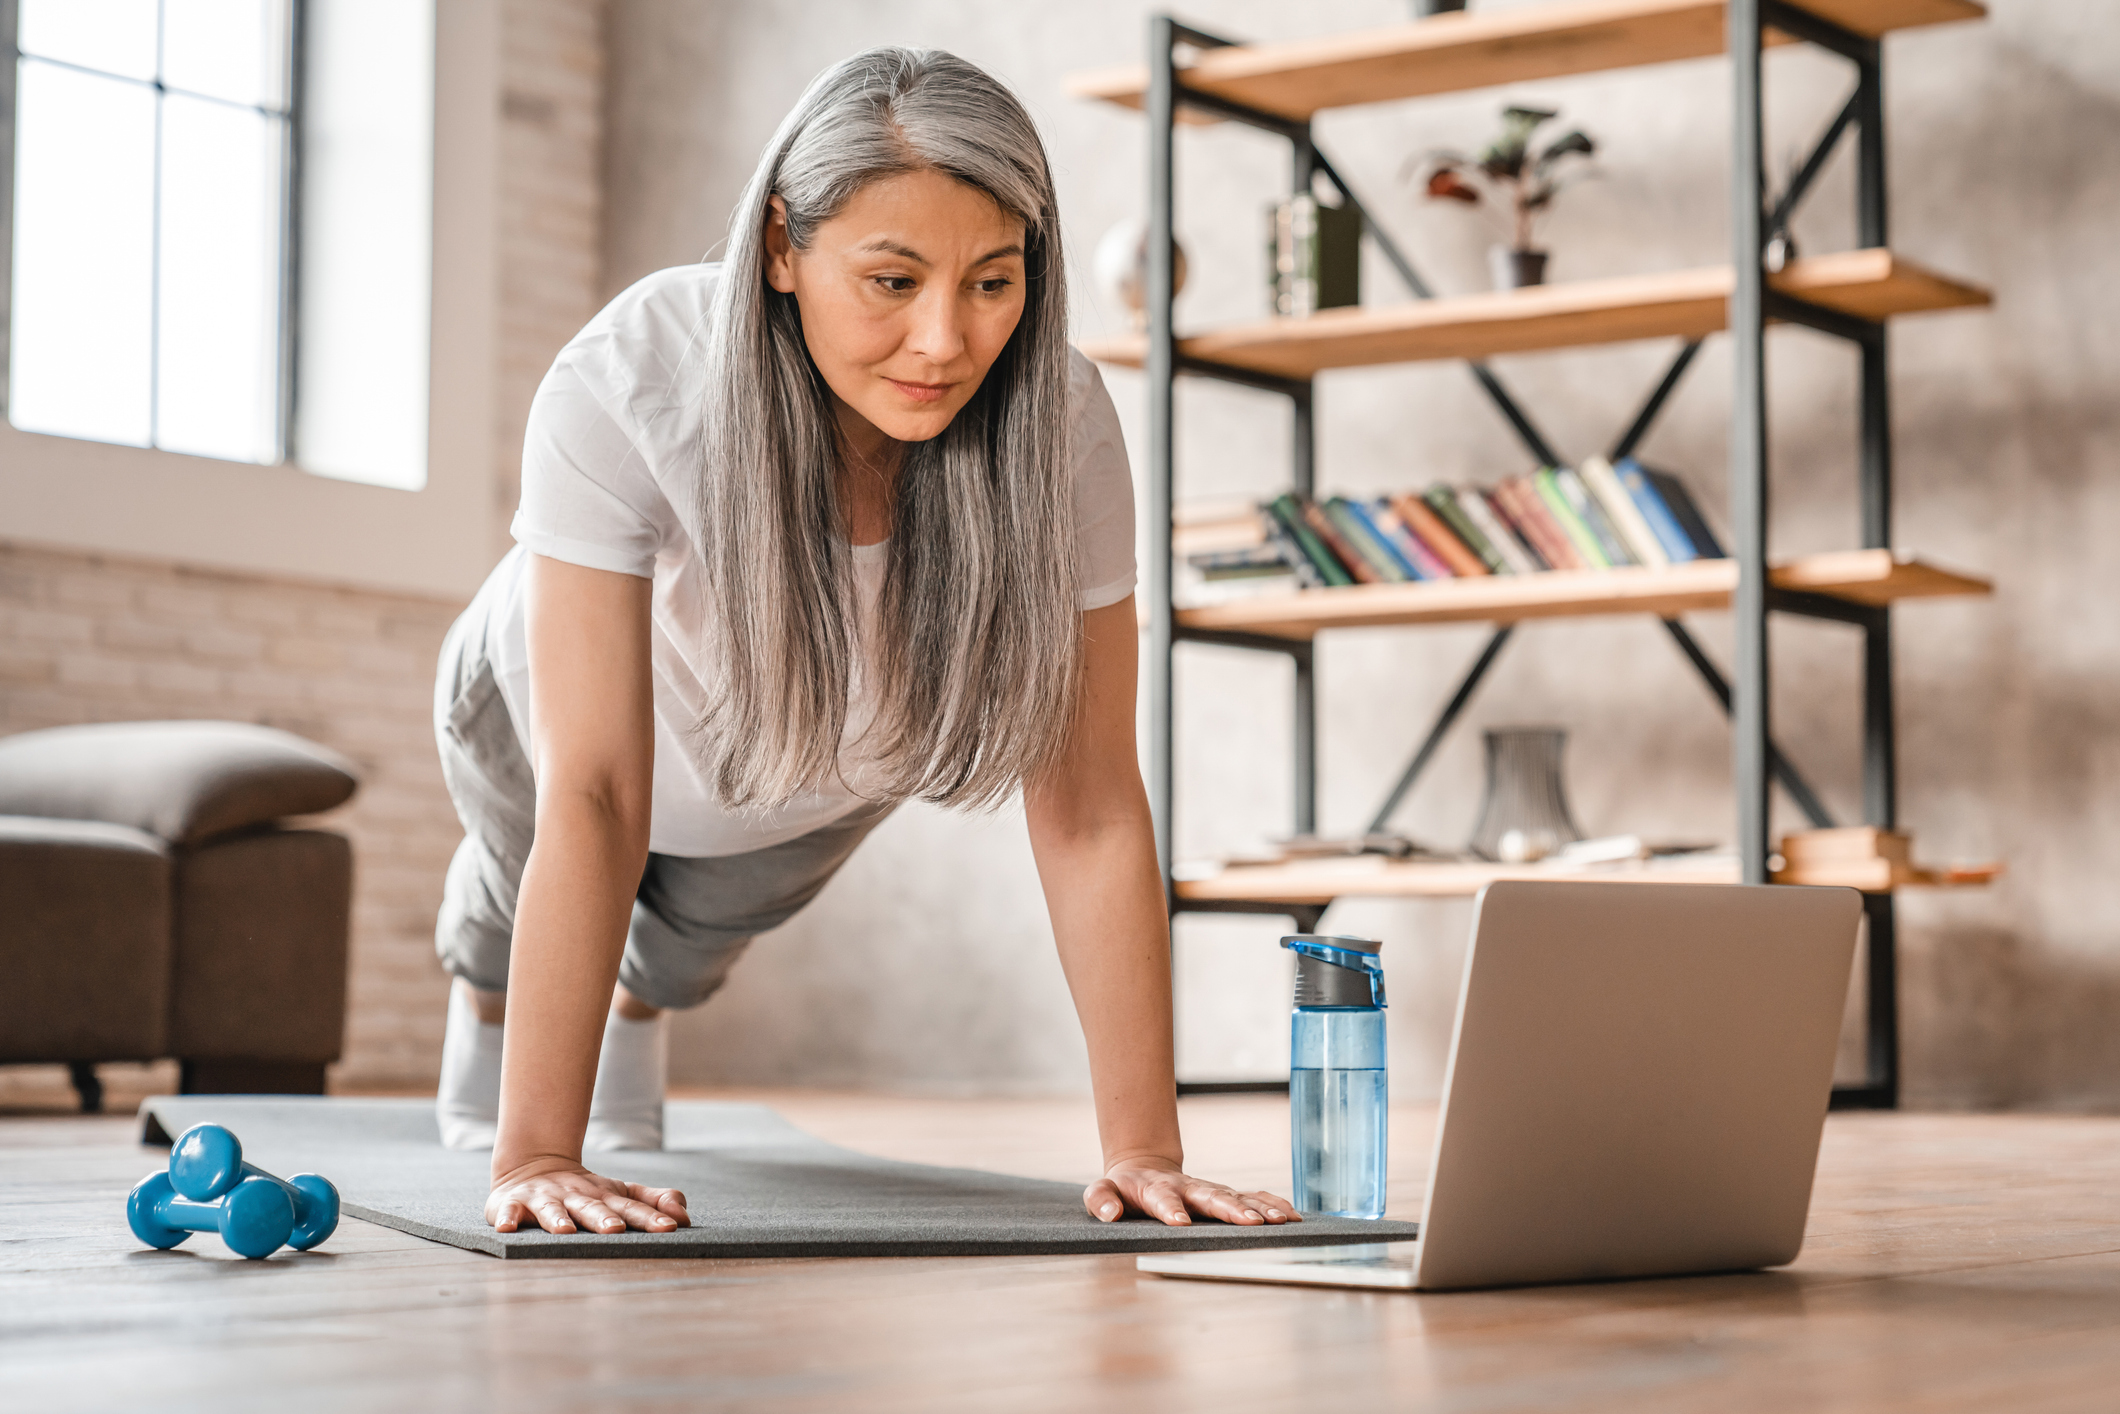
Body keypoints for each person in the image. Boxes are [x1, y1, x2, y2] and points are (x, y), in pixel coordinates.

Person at [429, 46, 1299, 1238]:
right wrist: (536, 1151)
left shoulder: (1063, 430)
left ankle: (639, 1006)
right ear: (782, 247)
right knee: (514, 869)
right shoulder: (634, 374)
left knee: (677, 953)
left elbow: (1091, 801)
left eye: (991, 282)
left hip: (797, 756)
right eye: (891, 281)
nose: (943, 342)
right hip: (540, 713)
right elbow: (593, 791)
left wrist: (1143, 1150)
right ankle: (489, 998)